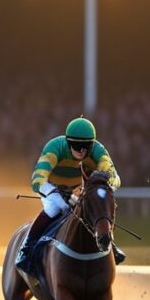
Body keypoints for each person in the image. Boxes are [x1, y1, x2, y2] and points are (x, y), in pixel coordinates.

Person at [15, 116, 123, 274]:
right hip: (51, 188)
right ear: (67, 142)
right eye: (77, 146)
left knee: (97, 208)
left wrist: (107, 185)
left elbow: (114, 177)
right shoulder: (54, 148)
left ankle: (109, 244)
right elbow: (37, 180)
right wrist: (55, 193)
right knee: (56, 208)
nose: (82, 151)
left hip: (78, 189)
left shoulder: (99, 151)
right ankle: (26, 248)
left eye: (86, 146)